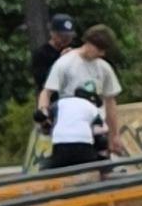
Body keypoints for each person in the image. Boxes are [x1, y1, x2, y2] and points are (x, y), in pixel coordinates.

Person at [38, 24, 121, 171]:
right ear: (89, 43)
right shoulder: (65, 63)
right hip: (71, 129)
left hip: (97, 129)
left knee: (102, 169)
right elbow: (47, 92)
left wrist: (114, 136)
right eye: (99, 49)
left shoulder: (104, 68)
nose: (102, 54)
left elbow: (110, 102)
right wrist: (44, 114)